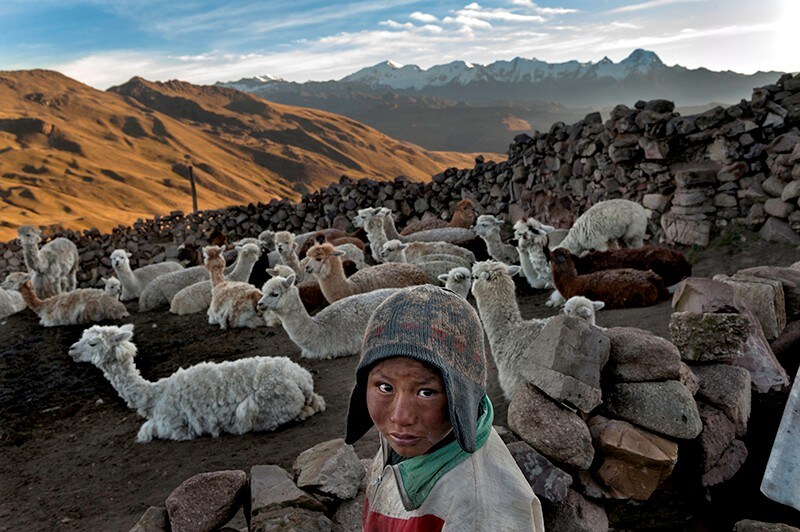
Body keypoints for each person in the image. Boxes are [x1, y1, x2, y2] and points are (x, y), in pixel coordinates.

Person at [345, 284, 545, 531]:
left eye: (426, 392)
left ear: (462, 397)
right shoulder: (407, 441)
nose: (400, 416)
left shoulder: (478, 511)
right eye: (385, 387)